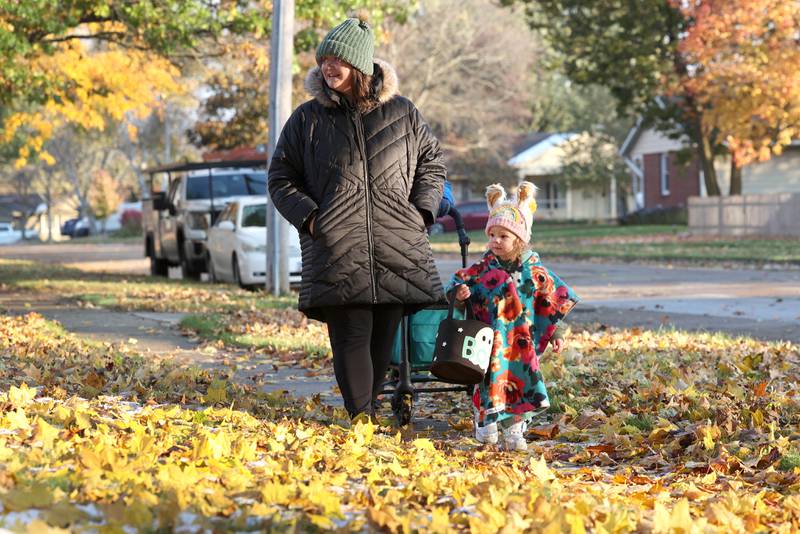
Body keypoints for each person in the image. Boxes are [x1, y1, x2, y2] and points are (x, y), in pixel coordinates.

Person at [268, 16, 446, 420]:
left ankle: (369, 410)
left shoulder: (403, 112)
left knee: (382, 337)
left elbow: (431, 164)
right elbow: (281, 177)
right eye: (324, 59)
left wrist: (419, 212)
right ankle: (361, 417)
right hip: (337, 245)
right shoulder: (307, 119)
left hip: (396, 242)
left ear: (360, 65)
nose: (329, 67)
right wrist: (312, 219)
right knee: (350, 333)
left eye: (338, 60)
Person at [447, 182, 580, 450]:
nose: (495, 240)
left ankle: (515, 431)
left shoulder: (534, 271)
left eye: (503, 236)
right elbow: (458, 283)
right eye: (492, 234)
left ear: (519, 240)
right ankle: (485, 423)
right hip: (487, 339)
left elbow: (551, 299)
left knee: (520, 382)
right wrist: (458, 294)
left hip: (522, 341)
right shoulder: (482, 269)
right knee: (486, 383)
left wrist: (556, 332)